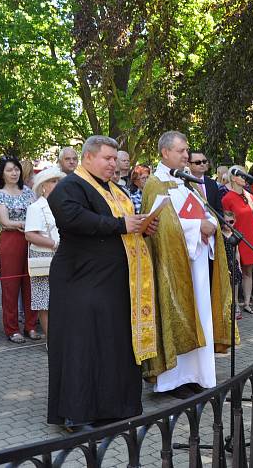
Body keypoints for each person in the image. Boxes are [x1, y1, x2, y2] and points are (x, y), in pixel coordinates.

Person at [47, 135, 158, 430]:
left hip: (112, 282)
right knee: (81, 345)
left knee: (112, 343)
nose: (113, 164)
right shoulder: (70, 186)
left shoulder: (116, 190)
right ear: (88, 158)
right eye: (107, 158)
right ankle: (76, 412)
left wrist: (143, 227)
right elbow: (73, 219)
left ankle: (116, 406)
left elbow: (123, 226)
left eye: (115, 159)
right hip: (80, 279)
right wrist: (124, 225)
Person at [141, 130, 234, 398]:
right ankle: (174, 380)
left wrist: (211, 224)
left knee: (200, 315)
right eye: (181, 151)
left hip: (198, 263)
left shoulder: (187, 182)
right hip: (173, 267)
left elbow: (209, 212)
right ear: (165, 153)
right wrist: (199, 226)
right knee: (177, 315)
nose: (186, 155)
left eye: (187, 150)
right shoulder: (155, 183)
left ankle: (197, 375)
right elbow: (161, 226)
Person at [0, 156, 37, 343]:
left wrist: (20, 224)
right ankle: (12, 328)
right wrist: (24, 224)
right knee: (10, 286)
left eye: (16, 169)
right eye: (9, 170)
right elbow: (5, 222)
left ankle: (31, 326)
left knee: (31, 284)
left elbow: (38, 214)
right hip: (11, 241)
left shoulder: (28, 192)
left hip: (32, 240)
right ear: (2, 173)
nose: (14, 173)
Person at [24, 167, 65, 340]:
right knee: (45, 302)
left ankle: (63, 339)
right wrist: (55, 243)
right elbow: (30, 235)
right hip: (43, 257)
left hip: (63, 256)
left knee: (63, 300)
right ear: (43, 186)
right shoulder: (36, 207)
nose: (58, 184)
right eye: (53, 181)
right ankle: (51, 341)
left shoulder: (64, 204)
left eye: (59, 181)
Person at [223, 165, 253, 314]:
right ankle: (235, 305)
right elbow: (228, 223)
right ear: (233, 178)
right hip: (237, 238)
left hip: (250, 236)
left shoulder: (249, 196)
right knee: (236, 272)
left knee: (248, 272)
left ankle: (247, 302)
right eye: (241, 175)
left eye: (245, 175)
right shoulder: (227, 198)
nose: (244, 178)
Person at [221, 211, 243, 321]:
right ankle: (228, 307)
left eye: (231, 222)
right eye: (226, 222)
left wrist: (239, 265)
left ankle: (236, 304)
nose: (228, 224)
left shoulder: (235, 234)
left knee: (235, 284)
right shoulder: (220, 234)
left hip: (233, 262)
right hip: (224, 263)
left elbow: (237, 252)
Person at [188, 150, 223, 215]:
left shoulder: (212, 183)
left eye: (204, 161)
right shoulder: (184, 183)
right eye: (198, 162)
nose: (202, 164)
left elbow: (219, 209)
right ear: (188, 164)